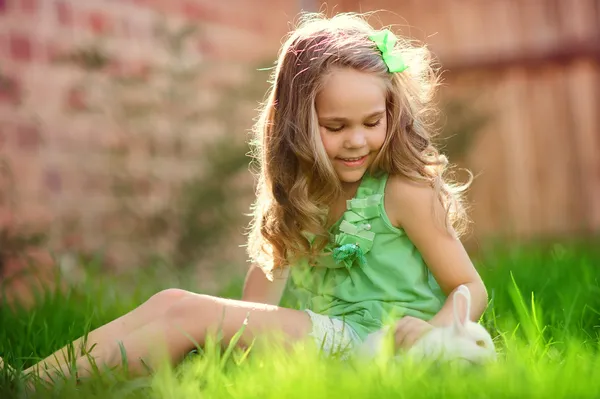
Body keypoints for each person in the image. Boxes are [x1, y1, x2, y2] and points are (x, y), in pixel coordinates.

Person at [3, 11, 489, 383]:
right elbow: (260, 301)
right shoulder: (304, 193)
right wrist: (239, 338)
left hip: (379, 346)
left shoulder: (404, 192)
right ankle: (30, 381)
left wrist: (433, 335)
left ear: (392, 112)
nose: (357, 141)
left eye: (371, 122)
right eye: (335, 127)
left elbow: (471, 286)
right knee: (173, 299)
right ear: (298, 124)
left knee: (193, 313)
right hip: (332, 336)